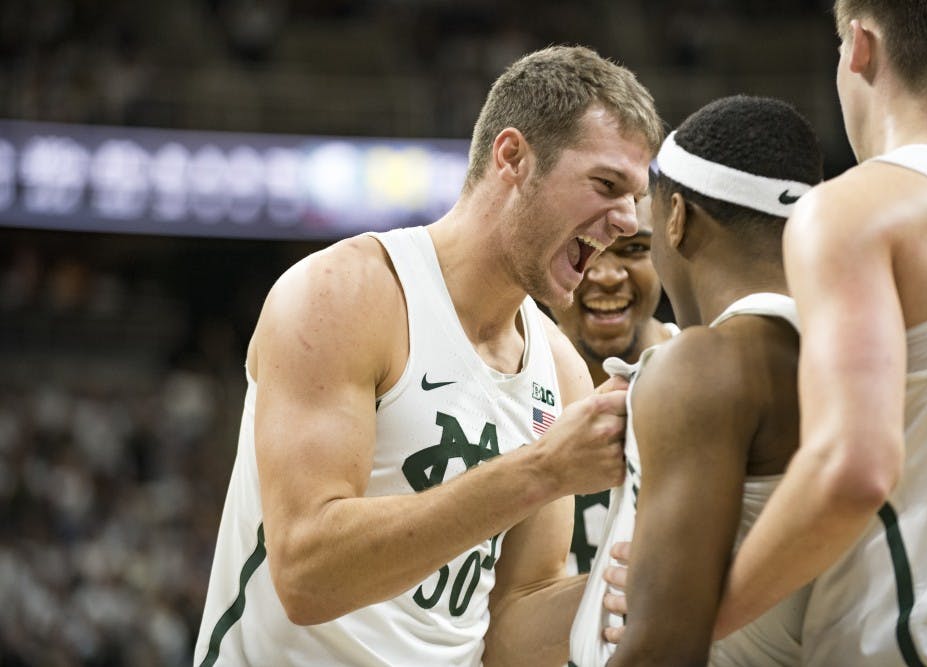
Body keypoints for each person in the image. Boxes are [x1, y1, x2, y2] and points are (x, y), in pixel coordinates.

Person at [193, 45, 664, 667]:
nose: (628, 221)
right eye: (607, 185)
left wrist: (646, 587)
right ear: (513, 157)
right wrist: (543, 469)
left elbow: (513, 623)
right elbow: (307, 575)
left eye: (636, 195)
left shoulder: (560, 370)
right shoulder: (349, 293)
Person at [713, 2, 927, 665]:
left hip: (916, 644)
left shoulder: (855, 208)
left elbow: (854, 467)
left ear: (860, 48)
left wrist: (703, 610)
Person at [569, 94, 824, 666]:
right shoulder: (857, 349)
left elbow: (664, 649)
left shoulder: (703, 365)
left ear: (677, 220)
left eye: (647, 235)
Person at [549, 200, 677, 576]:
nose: (606, 275)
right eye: (580, 248)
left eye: (635, 248)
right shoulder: (504, 381)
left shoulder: (715, 378)